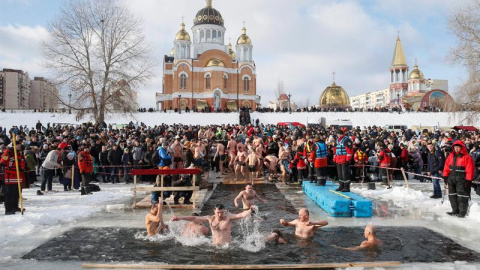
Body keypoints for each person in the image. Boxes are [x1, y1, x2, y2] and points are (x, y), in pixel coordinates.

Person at [170, 203, 255, 245]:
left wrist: (250, 210)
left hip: (227, 247)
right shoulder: (210, 218)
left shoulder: (229, 218)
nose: (220, 215)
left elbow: (240, 215)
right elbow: (194, 218)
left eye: (222, 212)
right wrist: (179, 217)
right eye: (218, 212)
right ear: (214, 211)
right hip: (214, 247)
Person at [443, 140, 474, 218]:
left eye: (458, 147)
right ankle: (455, 210)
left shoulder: (467, 157)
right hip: (452, 178)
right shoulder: (451, 156)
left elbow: (470, 169)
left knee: (462, 196)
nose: (456, 149)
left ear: (461, 148)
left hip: (462, 179)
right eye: (455, 147)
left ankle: (462, 212)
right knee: (452, 195)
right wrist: (445, 176)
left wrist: (468, 180)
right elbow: (446, 166)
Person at [1, 140, 26, 215]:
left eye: (20, 145)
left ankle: (15, 206)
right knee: (9, 193)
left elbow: (22, 163)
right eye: (18, 145)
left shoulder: (19, 153)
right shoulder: (8, 152)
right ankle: (8, 209)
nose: (19, 146)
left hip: (18, 175)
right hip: (10, 176)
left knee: (17, 193)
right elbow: (2, 162)